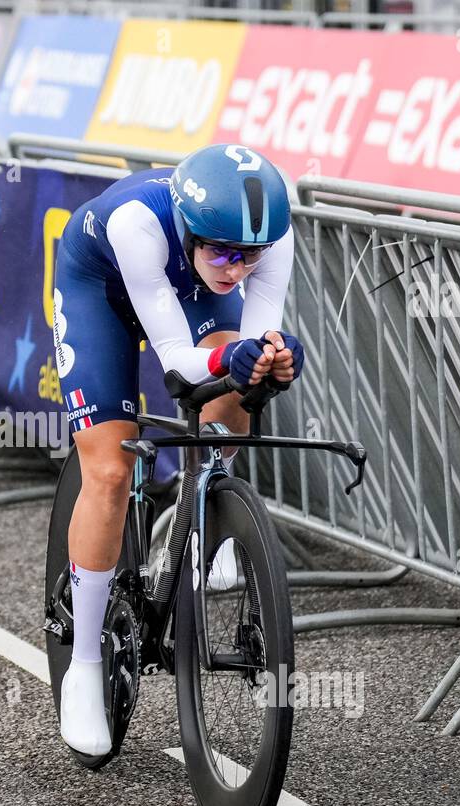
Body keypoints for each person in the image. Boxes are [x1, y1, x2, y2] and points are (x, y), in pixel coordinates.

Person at [52, 144, 305, 756]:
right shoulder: (138, 223)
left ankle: (209, 517)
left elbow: (251, 339)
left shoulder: (269, 238)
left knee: (237, 391)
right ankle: (85, 663)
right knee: (111, 471)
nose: (236, 268)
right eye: (221, 251)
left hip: (181, 290)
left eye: (249, 257)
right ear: (190, 228)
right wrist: (228, 357)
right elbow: (176, 363)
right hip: (102, 292)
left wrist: (269, 359)